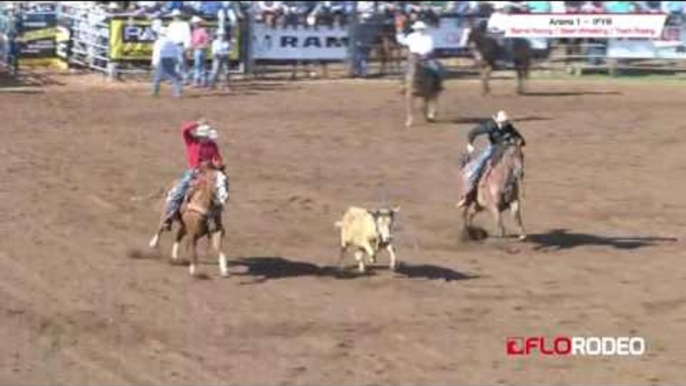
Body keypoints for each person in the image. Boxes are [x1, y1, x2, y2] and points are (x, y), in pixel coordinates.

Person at [162, 120, 225, 229]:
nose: (203, 138)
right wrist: (196, 123)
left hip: (209, 172)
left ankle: (216, 221)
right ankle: (170, 215)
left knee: (220, 190)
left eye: (205, 136)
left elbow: (217, 158)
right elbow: (184, 130)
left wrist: (218, 164)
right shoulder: (191, 141)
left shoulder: (212, 145)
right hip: (193, 172)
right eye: (202, 136)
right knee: (179, 191)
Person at [457, 111, 526, 208]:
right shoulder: (489, 126)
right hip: (493, 148)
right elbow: (473, 132)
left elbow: (521, 139)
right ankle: (467, 194)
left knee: (517, 165)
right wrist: (470, 144)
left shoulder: (508, 126)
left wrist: (518, 141)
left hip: (506, 149)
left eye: (505, 122)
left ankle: (515, 192)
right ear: (497, 121)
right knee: (476, 167)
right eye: (503, 122)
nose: (504, 124)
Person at [398, 21, 446, 86]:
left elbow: (402, 41)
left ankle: (406, 84)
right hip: (422, 56)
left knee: (409, 71)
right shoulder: (427, 37)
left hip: (417, 56)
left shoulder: (412, 36)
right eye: (419, 29)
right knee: (436, 69)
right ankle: (437, 82)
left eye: (420, 29)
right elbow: (430, 47)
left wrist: (399, 33)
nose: (419, 30)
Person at [151, 28, 183, 97]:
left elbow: (156, 52)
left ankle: (155, 92)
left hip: (162, 59)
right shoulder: (172, 41)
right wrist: (177, 60)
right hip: (171, 59)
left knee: (157, 76)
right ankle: (178, 91)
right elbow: (176, 51)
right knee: (172, 75)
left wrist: (154, 62)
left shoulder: (158, 41)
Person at [167, 9, 192, 83]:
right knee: (173, 62)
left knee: (182, 62)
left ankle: (185, 77)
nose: (176, 17)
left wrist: (187, 46)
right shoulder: (171, 25)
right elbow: (169, 36)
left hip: (180, 45)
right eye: (175, 16)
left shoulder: (184, 24)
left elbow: (187, 36)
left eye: (177, 16)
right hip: (172, 45)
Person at [190, 16, 209, 87]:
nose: (194, 25)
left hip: (200, 49)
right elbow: (193, 41)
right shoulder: (195, 31)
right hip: (197, 49)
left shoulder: (202, 30)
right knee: (199, 65)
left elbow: (206, 40)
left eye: (195, 23)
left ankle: (200, 80)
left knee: (199, 65)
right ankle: (200, 80)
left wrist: (203, 46)